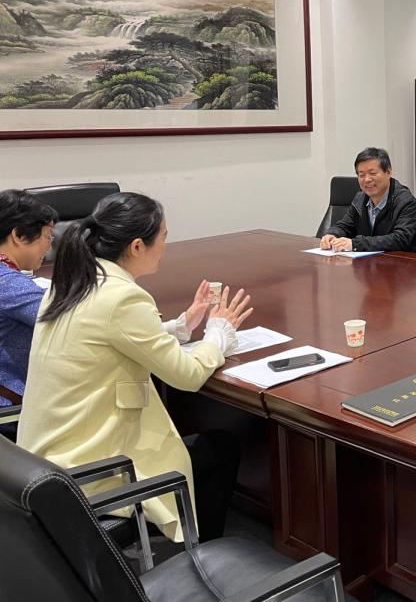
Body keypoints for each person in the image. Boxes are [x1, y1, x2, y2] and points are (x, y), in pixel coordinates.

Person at [17, 192, 253, 543]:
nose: (166, 246)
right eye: (164, 237)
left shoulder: (72, 283)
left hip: (43, 463)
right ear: (138, 246)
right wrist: (218, 333)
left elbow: (108, 336)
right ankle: (201, 556)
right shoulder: (123, 297)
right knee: (220, 447)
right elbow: (187, 376)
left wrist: (181, 326)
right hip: (91, 472)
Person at [0, 190, 58, 407]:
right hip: (10, 411)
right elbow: (67, 322)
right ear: (18, 235)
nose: (50, 246)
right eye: (48, 236)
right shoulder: (7, 283)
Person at [320, 147, 416, 253]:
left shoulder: (406, 201)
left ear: (388, 172)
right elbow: (345, 225)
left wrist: (355, 244)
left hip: (409, 260)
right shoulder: (360, 198)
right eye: (361, 175)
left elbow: (400, 239)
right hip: (375, 260)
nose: (367, 179)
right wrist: (333, 234)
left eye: (373, 173)